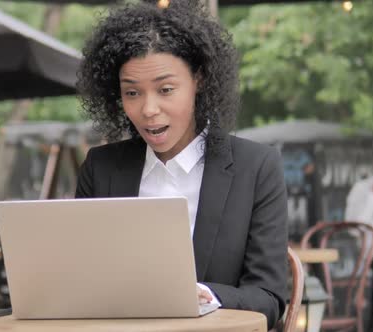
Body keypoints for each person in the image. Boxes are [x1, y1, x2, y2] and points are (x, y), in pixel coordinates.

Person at [75, 0, 288, 329]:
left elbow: (269, 297)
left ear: (199, 80)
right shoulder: (100, 168)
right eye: (132, 93)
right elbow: (81, 279)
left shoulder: (256, 167)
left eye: (166, 89)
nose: (148, 109)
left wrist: (202, 295)